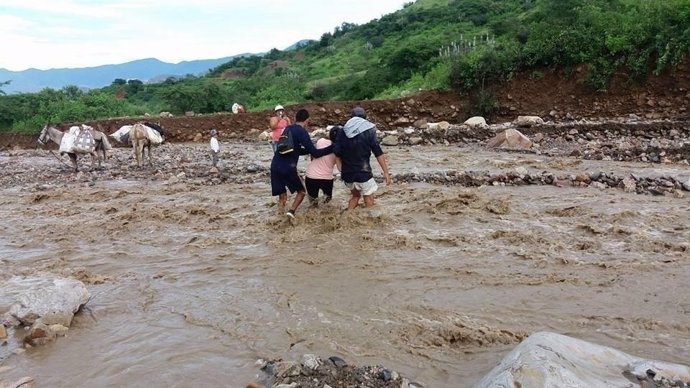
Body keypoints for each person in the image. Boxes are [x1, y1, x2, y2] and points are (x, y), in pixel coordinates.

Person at [270, 109, 333, 221]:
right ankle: (291, 212)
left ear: (295, 119)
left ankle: (279, 218)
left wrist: (309, 150)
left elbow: (294, 149)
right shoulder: (301, 131)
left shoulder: (288, 128)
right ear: (307, 120)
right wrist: (333, 147)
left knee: (282, 196)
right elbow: (316, 154)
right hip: (287, 166)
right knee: (302, 192)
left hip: (275, 164)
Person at [334, 107, 391, 210]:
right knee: (368, 197)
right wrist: (386, 172)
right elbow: (378, 153)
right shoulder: (369, 131)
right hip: (363, 172)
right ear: (364, 118)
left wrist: (341, 169)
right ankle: (371, 223)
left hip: (347, 174)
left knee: (355, 196)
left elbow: (337, 153)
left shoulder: (342, 132)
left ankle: (347, 217)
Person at [305, 126, 341, 206]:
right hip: (326, 179)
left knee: (313, 204)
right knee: (327, 204)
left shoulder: (321, 141)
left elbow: (312, 155)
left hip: (311, 177)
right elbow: (340, 168)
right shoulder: (339, 150)